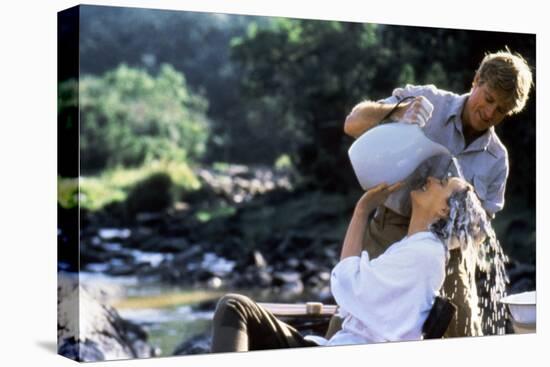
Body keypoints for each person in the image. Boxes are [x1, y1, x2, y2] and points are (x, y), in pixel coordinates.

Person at [339, 49, 533, 337]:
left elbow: (480, 230)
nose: (490, 113)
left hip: (446, 250)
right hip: (391, 228)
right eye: (489, 99)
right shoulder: (427, 102)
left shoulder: (496, 159)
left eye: (502, 110)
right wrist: (396, 112)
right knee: (355, 312)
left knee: (464, 331)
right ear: (476, 81)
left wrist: (439, 244)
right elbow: (352, 124)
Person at [211, 176, 488, 352]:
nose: (432, 178)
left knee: (234, 307)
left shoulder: (424, 255)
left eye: (442, 183)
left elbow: (347, 284)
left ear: (444, 210)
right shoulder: (416, 249)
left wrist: (362, 211)